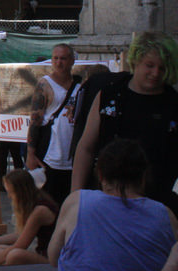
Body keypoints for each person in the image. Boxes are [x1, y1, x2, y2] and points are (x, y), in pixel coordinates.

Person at [6, 139, 178, 271]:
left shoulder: (77, 201)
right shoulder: (165, 216)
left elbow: (53, 257)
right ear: (144, 176)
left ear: (101, 175)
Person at [71, 32, 178, 214]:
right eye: (149, 66)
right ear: (136, 62)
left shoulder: (173, 103)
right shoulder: (110, 94)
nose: (155, 73)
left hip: (155, 203)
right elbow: (86, 147)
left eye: (162, 68)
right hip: (108, 197)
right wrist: (75, 196)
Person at [26, 43, 82, 206]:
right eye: (55, 58)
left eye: (63, 58)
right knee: (48, 200)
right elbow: (35, 119)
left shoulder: (79, 86)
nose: (59, 62)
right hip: (50, 152)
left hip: (71, 153)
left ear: (71, 61)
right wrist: (31, 153)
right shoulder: (45, 84)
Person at [0, 169, 58, 267]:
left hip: (51, 259)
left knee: (15, 255)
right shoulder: (34, 204)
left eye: (11, 192)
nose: (9, 196)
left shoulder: (40, 211)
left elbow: (21, 245)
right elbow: (20, 235)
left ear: (21, 192)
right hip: (41, 253)